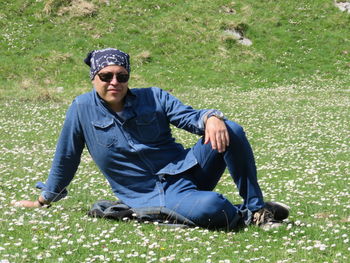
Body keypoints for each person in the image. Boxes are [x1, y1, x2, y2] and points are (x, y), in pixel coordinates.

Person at [12, 48, 289, 230]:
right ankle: (240, 214)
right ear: (93, 78)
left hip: (188, 170)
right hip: (152, 195)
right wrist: (44, 200)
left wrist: (211, 117)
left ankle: (256, 209)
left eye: (121, 76)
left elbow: (190, 117)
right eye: (105, 76)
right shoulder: (81, 109)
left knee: (231, 129)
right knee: (213, 205)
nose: (114, 82)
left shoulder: (154, 97)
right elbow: (67, 156)